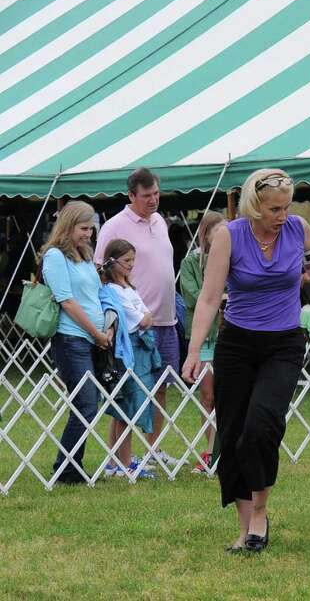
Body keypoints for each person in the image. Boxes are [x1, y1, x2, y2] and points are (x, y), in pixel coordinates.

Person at [181, 169, 310, 553]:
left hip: (283, 343)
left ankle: (261, 510)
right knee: (235, 432)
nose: (282, 215)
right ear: (254, 207)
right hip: (237, 343)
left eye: (287, 206)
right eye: (275, 208)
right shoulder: (229, 236)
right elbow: (208, 299)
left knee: (262, 425)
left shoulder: (298, 229)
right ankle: (245, 528)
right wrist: (194, 351)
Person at [95, 168, 180, 471]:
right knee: (129, 390)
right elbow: (100, 272)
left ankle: (153, 450)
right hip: (135, 326)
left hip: (166, 320)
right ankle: (118, 457)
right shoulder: (114, 226)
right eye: (147, 196)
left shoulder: (160, 221)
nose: (154, 200)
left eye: (156, 194)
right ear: (131, 195)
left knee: (160, 387)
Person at [40, 201, 112, 485]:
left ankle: (72, 465)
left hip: (93, 338)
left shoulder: (84, 255)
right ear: (68, 226)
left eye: (91, 228)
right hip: (71, 339)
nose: (89, 234)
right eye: (83, 229)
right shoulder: (55, 256)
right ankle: (66, 468)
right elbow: (67, 301)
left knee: (87, 404)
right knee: (85, 403)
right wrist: (96, 333)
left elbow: (94, 294)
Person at [98, 239, 159, 480]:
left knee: (123, 409)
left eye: (133, 260)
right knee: (126, 409)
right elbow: (143, 320)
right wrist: (145, 316)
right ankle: (124, 463)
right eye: (127, 261)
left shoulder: (129, 288)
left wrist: (145, 316)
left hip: (140, 351)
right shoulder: (112, 290)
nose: (131, 265)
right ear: (113, 263)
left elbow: (147, 316)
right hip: (127, 353)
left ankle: (116, 462)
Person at [180, 211, 227, 472]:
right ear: (206, 234)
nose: (222, 236)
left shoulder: (233, 258)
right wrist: (219, 297)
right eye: (217, 231)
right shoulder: (190, 263)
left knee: (228, 396)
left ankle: (227, 449)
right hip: (204, 336)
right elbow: (193, 296)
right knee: (208, 395)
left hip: (229, 334)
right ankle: (210, 452)